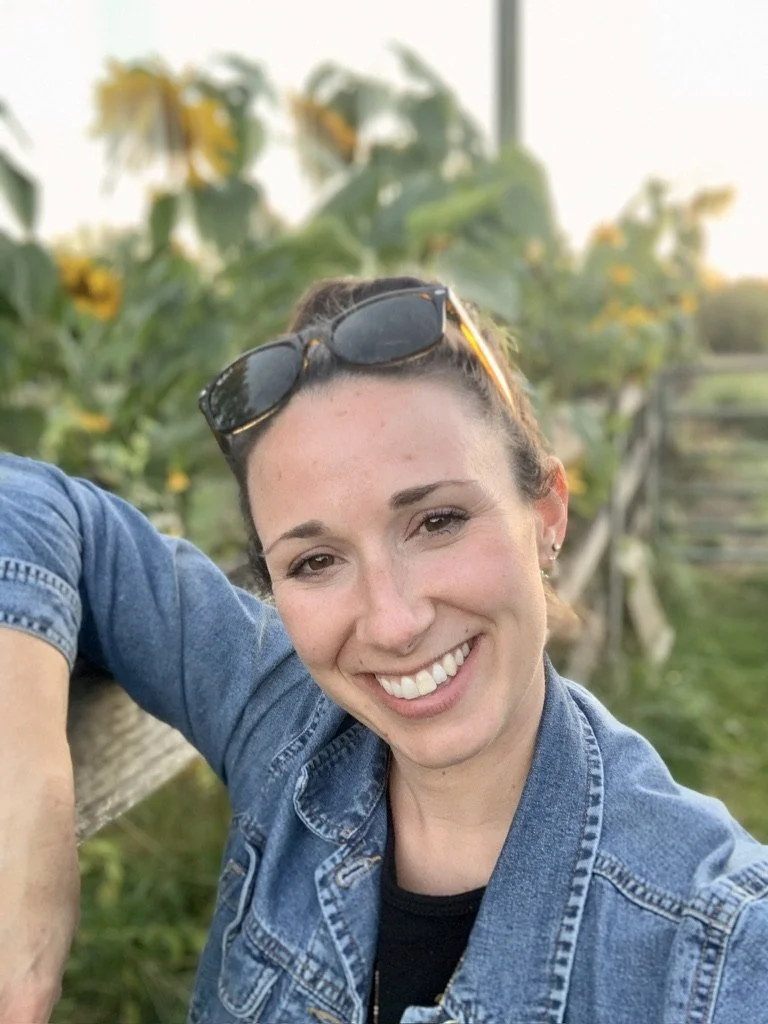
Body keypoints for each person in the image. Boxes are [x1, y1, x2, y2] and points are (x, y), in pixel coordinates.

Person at [1, 275, 767, 1024]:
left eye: (436, 521)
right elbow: (31, 501)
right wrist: (31, 791)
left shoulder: (714, 947)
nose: (394, 623)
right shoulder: (284, 721)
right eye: (316, 562)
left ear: (546, 515)